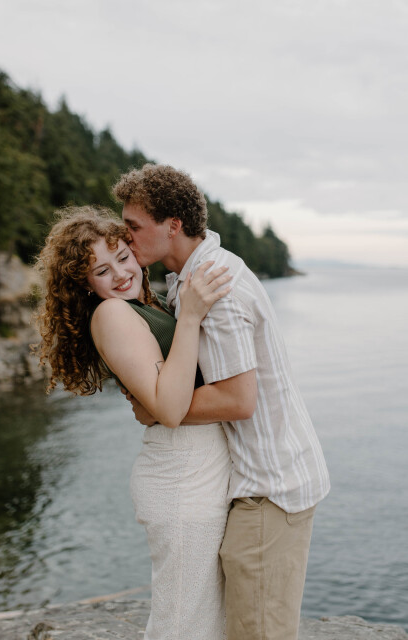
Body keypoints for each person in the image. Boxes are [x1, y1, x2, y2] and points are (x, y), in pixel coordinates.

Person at [113, 164, 331, 640]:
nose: (125, 238)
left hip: (271, 485)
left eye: (133, 226)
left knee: (257, 631)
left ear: (173, 225)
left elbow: (237, 399)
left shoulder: (217, 285)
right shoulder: (188, 278)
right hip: (253, 479)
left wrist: (157, 408)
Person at [34, 205, 233, 640]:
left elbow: (159, 400)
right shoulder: (112, 314)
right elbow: (169, 409)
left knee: (202, 617)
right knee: (182, 623)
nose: (121, 274)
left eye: (123, 257)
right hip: (182, 476)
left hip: (197, 470)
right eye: (101, 271)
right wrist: (191, 316)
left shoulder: (143, 304)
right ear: (84, 283)